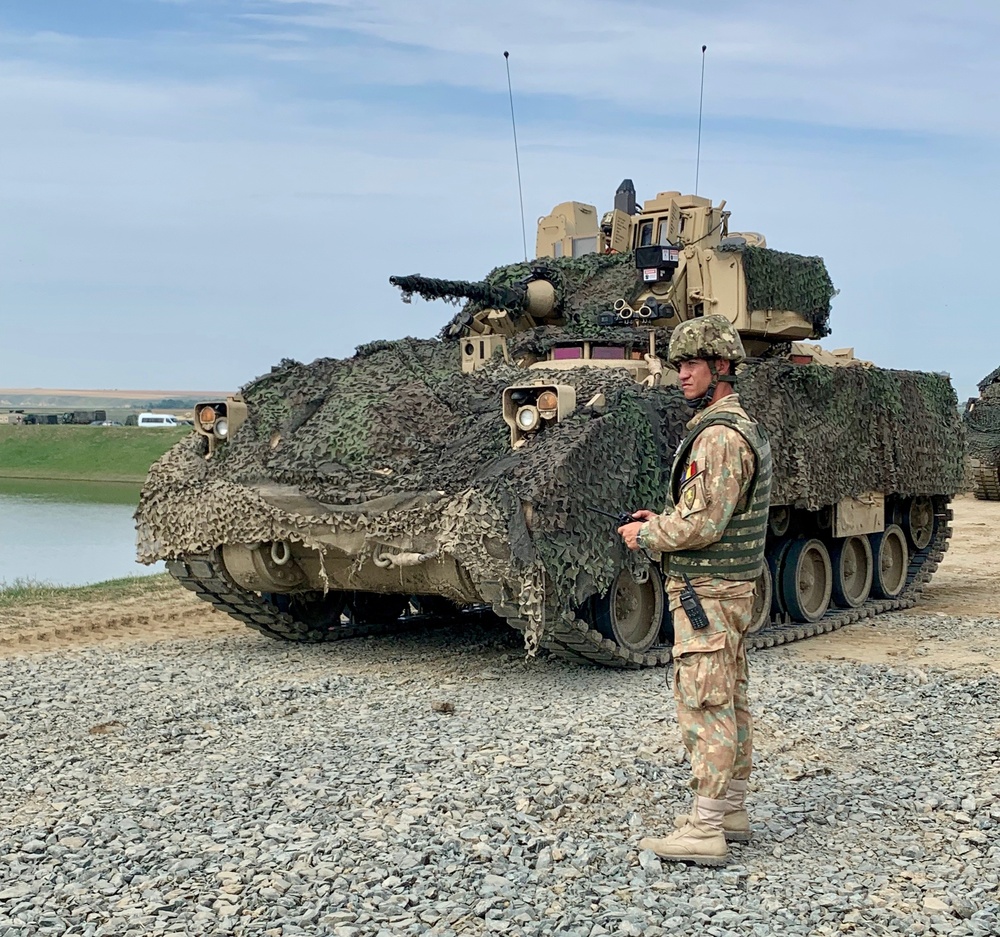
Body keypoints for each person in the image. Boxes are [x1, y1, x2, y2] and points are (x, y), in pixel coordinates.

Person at [617, 314, 772, 867]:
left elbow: (703, 525)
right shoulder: (728, 428)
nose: (680, 374)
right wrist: (666, 516)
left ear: (722, 367)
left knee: (705, 701)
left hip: (707, 593)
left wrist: (647, 534)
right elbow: (709, 515)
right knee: (729, 696)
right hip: (723, 589)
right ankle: (729, 810)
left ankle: (706, 829)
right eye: (678, 364)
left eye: (690, 364)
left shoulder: (720, 436)